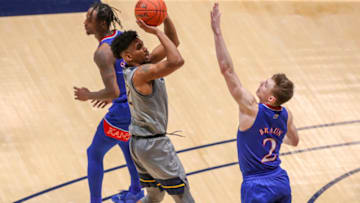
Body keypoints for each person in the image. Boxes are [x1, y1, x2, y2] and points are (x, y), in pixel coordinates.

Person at [210, 3, 299, 203]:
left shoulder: (250, 108)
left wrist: (217, 33)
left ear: (271, 98)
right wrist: (272, 134)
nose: (261, 83)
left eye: (266, 84)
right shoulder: (286, 115)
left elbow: (227, 70)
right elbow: (294, 141)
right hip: (280, 181)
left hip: (257, 185)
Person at [110, 15, 195, 203]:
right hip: (154, 145)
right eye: (139, 47)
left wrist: (165, 17)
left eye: (142, 43)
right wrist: (156, 31)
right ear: (128, 57)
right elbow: (176, 61)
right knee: (184, 197)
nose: (146, 48)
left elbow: (173, 42)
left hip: (140, 144)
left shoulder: (139, 66)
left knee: (154, 197)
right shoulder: (141, 73)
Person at [74, 2, 143, 203]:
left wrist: (90, 95)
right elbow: (129, 71)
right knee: (125, 144)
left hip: (122, 111)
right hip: (138, 104)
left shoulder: (103, 52)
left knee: (94, 152)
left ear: (102, 23)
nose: (85, 22)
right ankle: (136, 190)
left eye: (89, 18)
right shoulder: (122, 37)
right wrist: (112, 94)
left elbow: (112, 92)